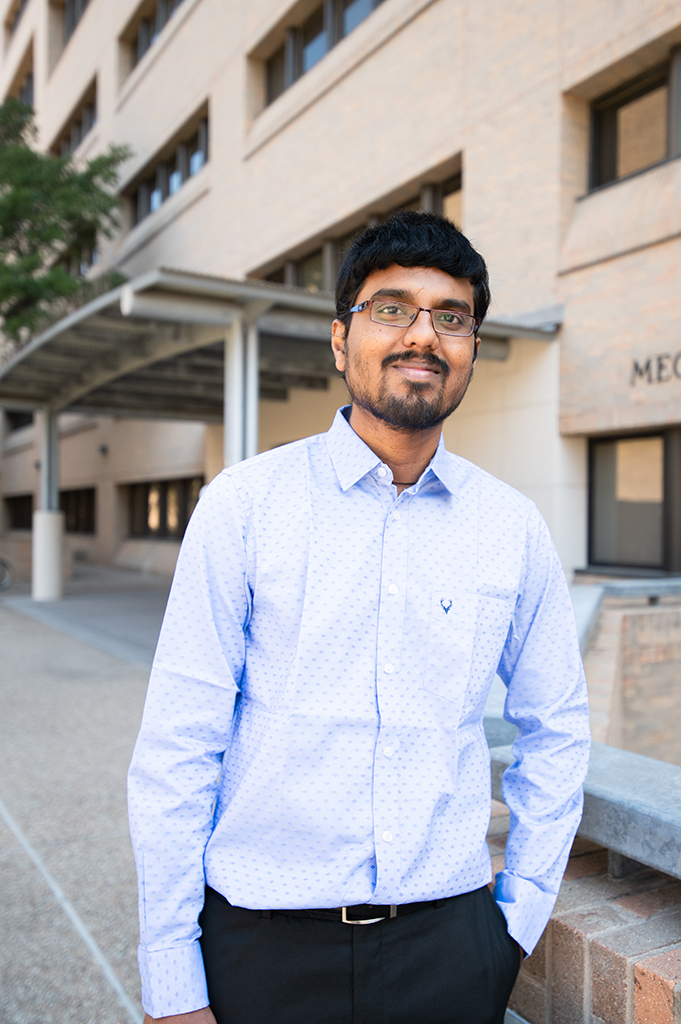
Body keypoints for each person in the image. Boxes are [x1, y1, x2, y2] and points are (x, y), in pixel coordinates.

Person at [127, 211, 590, 1024]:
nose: (424, 335)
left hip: (449, 951)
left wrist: (513, 926)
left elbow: (557, 727)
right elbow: (178, 744)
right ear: (341, 341)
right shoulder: (244, 505)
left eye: (451, 318)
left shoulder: (511, 527)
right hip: (261, 947)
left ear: (473, 350)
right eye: (392, 309)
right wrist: (173, 975)